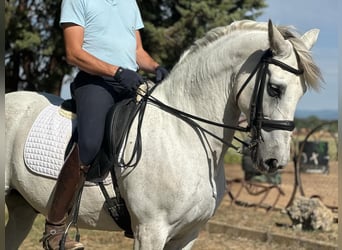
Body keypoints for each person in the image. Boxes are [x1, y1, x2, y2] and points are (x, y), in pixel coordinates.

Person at [40, 0, 168, 249]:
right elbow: (73, 52)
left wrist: (156, 67)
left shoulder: (129, 3)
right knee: (89, 143)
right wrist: (116, 71)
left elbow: (137, 51)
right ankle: (54, 227)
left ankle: (138, 212)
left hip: (128, 83)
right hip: (95, 83)